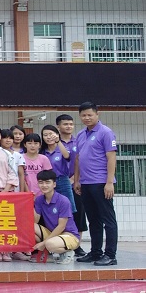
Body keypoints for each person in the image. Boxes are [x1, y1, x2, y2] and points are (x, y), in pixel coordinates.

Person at [74, 102, 118, 266]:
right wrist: (77, 180)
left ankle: (110, 255)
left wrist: (109, 182)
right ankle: (95, 252)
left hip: (101, 183)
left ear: (97, 114)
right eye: (83, 115)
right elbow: (78, 159)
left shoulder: (105, 132)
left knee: (108, 220)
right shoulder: (80, 134)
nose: (87, 118)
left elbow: (111, 157)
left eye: (90, 115)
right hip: (85, 183)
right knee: (93, 220)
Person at [32, 169, 80, 265]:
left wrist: (43, 243)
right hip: (53, 234)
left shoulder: (63, 200)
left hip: (70, 235)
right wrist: (31, 202)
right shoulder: (39, 200)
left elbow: (61, 226)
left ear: (54, 184)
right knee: (30, 227)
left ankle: (68, 252)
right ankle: (52, 253)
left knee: (50, 244)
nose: (44, 185)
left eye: (47, 182)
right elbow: (35, 221)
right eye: (41, 182)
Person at [56, 114, 87, 257]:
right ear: (58, 127)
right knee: (59, 215)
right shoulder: (54, 142)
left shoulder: (79, 141)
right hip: (59, 185)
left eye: (71, 124)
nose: (68, 126)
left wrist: (75, 179)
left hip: (76, 184)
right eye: (65, 124)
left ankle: (77, 245)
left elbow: (83, 161)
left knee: (78, 214)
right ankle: (59, 244)